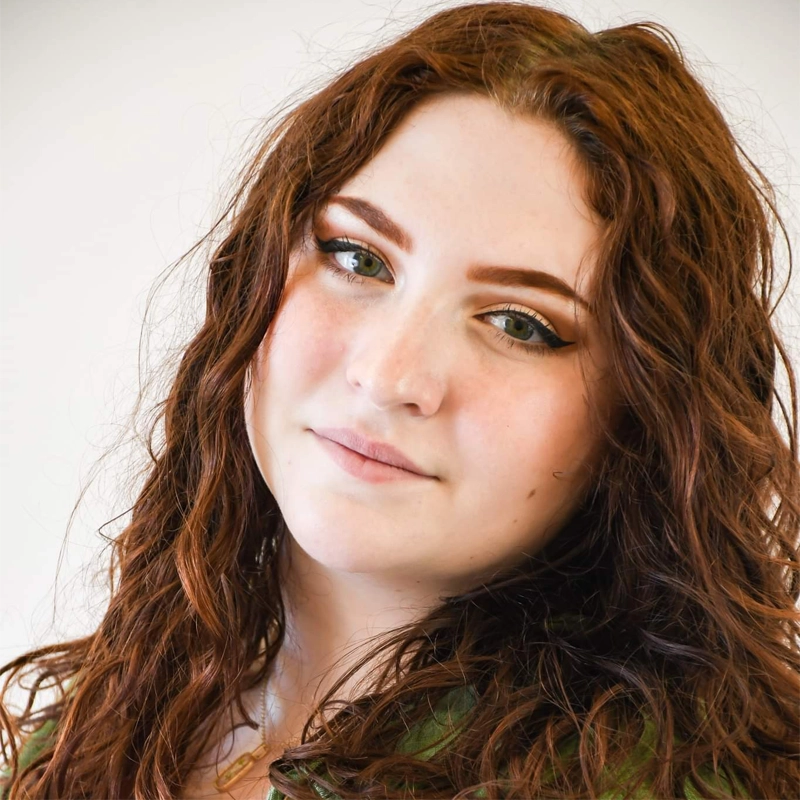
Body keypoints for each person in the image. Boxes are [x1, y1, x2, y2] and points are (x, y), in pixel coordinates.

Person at [2, 2, 798, 798]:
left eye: (519, 324)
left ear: (645, 412)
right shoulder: (110, 711)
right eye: (359, 258)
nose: (387, 375)